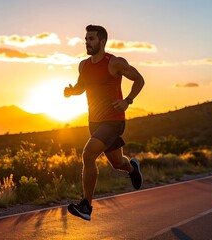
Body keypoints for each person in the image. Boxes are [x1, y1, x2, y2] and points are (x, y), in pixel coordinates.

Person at [64, 24, 145, 221]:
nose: (87, 43)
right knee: (117, 163)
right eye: (86, 39)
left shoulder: (115, 62)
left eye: (91, 39)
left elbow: (139, 80)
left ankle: (86, 206)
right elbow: (81, 86)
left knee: (88, 154)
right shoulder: (83, 65)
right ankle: (133, 168)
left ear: (102, 41)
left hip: (113, 120)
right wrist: (71, 92)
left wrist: (127, 101)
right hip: (94, 122)